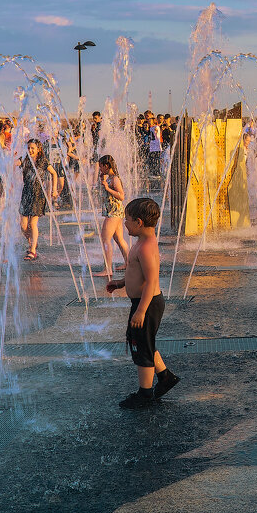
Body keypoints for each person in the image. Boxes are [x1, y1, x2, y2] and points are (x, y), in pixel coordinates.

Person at [107, 198, 179, 407]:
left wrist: (140, 311)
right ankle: (165, 377)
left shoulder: (146, 247)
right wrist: (121, 283)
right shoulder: (141, 243)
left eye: (127, 220)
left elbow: (150, 281)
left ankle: (145, 394)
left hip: (147, 304)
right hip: (143, 303)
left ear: (138, 222)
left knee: (141, 347)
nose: (124, 224)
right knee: (141, 341)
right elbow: (136, 274)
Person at [19, 139, 58, 262]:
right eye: (28, 148)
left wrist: (54, 189)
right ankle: (32, 243)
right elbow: (14, 163)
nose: (30, 150)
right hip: (26, 194)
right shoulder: (24, 159)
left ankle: (32, 251)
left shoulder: (43, 161)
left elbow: (54, 173)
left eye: (32, 148)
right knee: (23, 225)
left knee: (32, 223)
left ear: (38, 149)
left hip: (38, 194)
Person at [95, 154, 129, 277]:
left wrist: (108, 189)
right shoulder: (109, 178)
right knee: (118, 238)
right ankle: (129, 263)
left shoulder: (114, 179)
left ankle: (107, 269)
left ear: (106, 165)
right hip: (114, 211)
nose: (100, 169)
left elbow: (121, 195)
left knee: (105, 240)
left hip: (113, 212)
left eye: (101, 167)